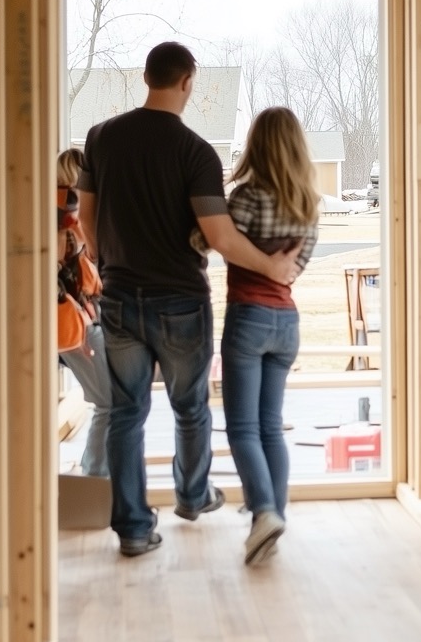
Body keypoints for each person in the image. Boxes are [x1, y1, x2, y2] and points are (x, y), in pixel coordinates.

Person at [78, 42, 301, 558]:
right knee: (191, 409)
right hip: (179, 300)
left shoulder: (101, 138)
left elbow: (86, 219)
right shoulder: (196, 152)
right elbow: (219, 236)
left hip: (118, 298)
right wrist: (273, 267)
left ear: (147, 78)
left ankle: (134, 529)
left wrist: (101, 256)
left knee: (126, 414)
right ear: (188, 82)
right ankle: (193, 496)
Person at [220, 107, 319, 565]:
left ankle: (264, 514)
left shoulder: (246, 197)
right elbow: (293, 271)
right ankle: (272, 516)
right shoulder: (307, 206)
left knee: (242, 427)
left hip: (249, 318)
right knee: (269, 426)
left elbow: (208, 241)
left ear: (257, 144)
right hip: (287, 323)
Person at [57, 148, 111, 478]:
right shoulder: (68, 218)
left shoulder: (56, 212)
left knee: (109, 399)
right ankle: (95, 477)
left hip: (77, 320)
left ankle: (99, 474)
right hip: (75, 323)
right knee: (110, 401)